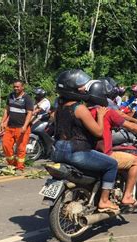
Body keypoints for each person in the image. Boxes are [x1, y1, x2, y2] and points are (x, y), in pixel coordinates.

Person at [51, 69, 119, 212]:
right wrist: (101, 115)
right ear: (72, 89)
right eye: (80, 86)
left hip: (57, 151)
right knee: (112, 164)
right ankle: (104, 201)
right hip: (76, 151)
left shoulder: (58, 108)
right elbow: (99, 132)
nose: (84, 88)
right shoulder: (79, 108)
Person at [86, 80, 137, 207]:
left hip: (88, 152)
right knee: (135, 161)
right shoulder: (106, 111)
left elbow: (127, 112)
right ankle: (127, 196)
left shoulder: (83, 111)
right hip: (104, 153)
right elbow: (129, 125)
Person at [0, 80, 34, 170]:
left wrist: (25, 126)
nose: (15, 88)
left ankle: (20, 166)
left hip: (22, 128)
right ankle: (12, 162)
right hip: (10, 127)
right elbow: (7, 110)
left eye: (17, 87)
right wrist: (2, 122)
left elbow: (30, 113)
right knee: (5, 145)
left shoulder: (27, 98)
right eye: (14, 87)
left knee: (21, 148)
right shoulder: (10, 96)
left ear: (22, 87)